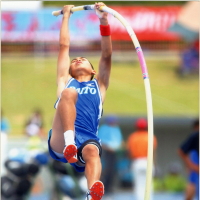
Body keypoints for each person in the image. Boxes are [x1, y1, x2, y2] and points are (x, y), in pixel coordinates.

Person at [47, 2, 112, 200]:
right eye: (75, 60)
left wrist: (103, 19)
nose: (77, 59)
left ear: (93, 71)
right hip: (61, 139)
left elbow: (107, 55)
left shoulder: (99, 85)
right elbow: (64, 46)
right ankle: (69, 145)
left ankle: (91, 193)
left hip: (86, 138)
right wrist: (66, 16)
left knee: (93, 152)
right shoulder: (65, 81)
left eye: (83, 59)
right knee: (68, 94)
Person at [127, 118, 157, 200]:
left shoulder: (133, 137)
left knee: (138, 185)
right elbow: (153, 152)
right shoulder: (150, 136)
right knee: (149, 185)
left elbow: (130, 152)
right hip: (148, 161)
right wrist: (154, 163)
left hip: (137, 161)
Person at [98, 115, 123, 195]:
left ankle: (109, 188)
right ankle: (103, 188)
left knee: (113, 171)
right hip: (106, 152)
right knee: (105, 170)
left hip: (114, 153)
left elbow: (119, 141)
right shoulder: (104, 128)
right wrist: (108, 148)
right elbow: (100, 141)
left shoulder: (116, 129)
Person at [178, 119, 199, 200]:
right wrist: (191, 166)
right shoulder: (195, 136)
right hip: (196, 165)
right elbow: (182, 151)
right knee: (192, 184)